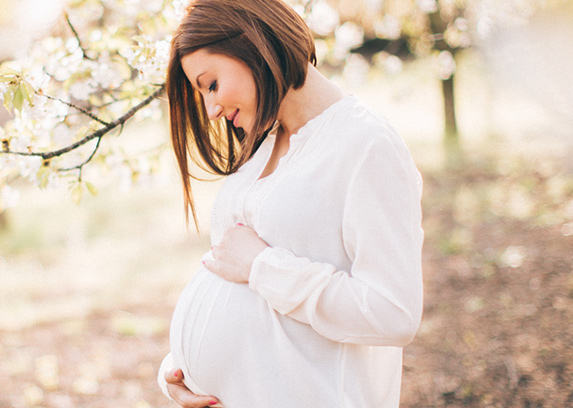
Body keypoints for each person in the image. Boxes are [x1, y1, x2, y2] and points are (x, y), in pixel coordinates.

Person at [155, 0, 424, 407]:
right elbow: (247, 301)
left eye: (211, 85)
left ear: (253, 42)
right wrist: (180, 369)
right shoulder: (262, 146)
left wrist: (262, 267)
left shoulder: (367, 146)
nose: (210, 110)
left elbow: (393, 313)